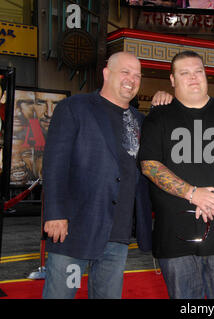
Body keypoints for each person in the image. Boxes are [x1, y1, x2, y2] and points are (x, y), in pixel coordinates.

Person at [138, 50, 214, 299]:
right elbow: (149, 165)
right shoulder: (159, 116)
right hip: (175, 240)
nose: (193, 78)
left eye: (198, 71)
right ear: (172, 80)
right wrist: (193, 194)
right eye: (185, 73)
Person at [42, 52, 153, 299]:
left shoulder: (141, 121)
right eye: (125, 72)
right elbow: (54, 164)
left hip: (118, 233)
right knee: (60, 294)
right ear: (107, 73)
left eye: (137, 75)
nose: (132, 79)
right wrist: (55, 213)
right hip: (74, 229)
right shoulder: (74, 108)